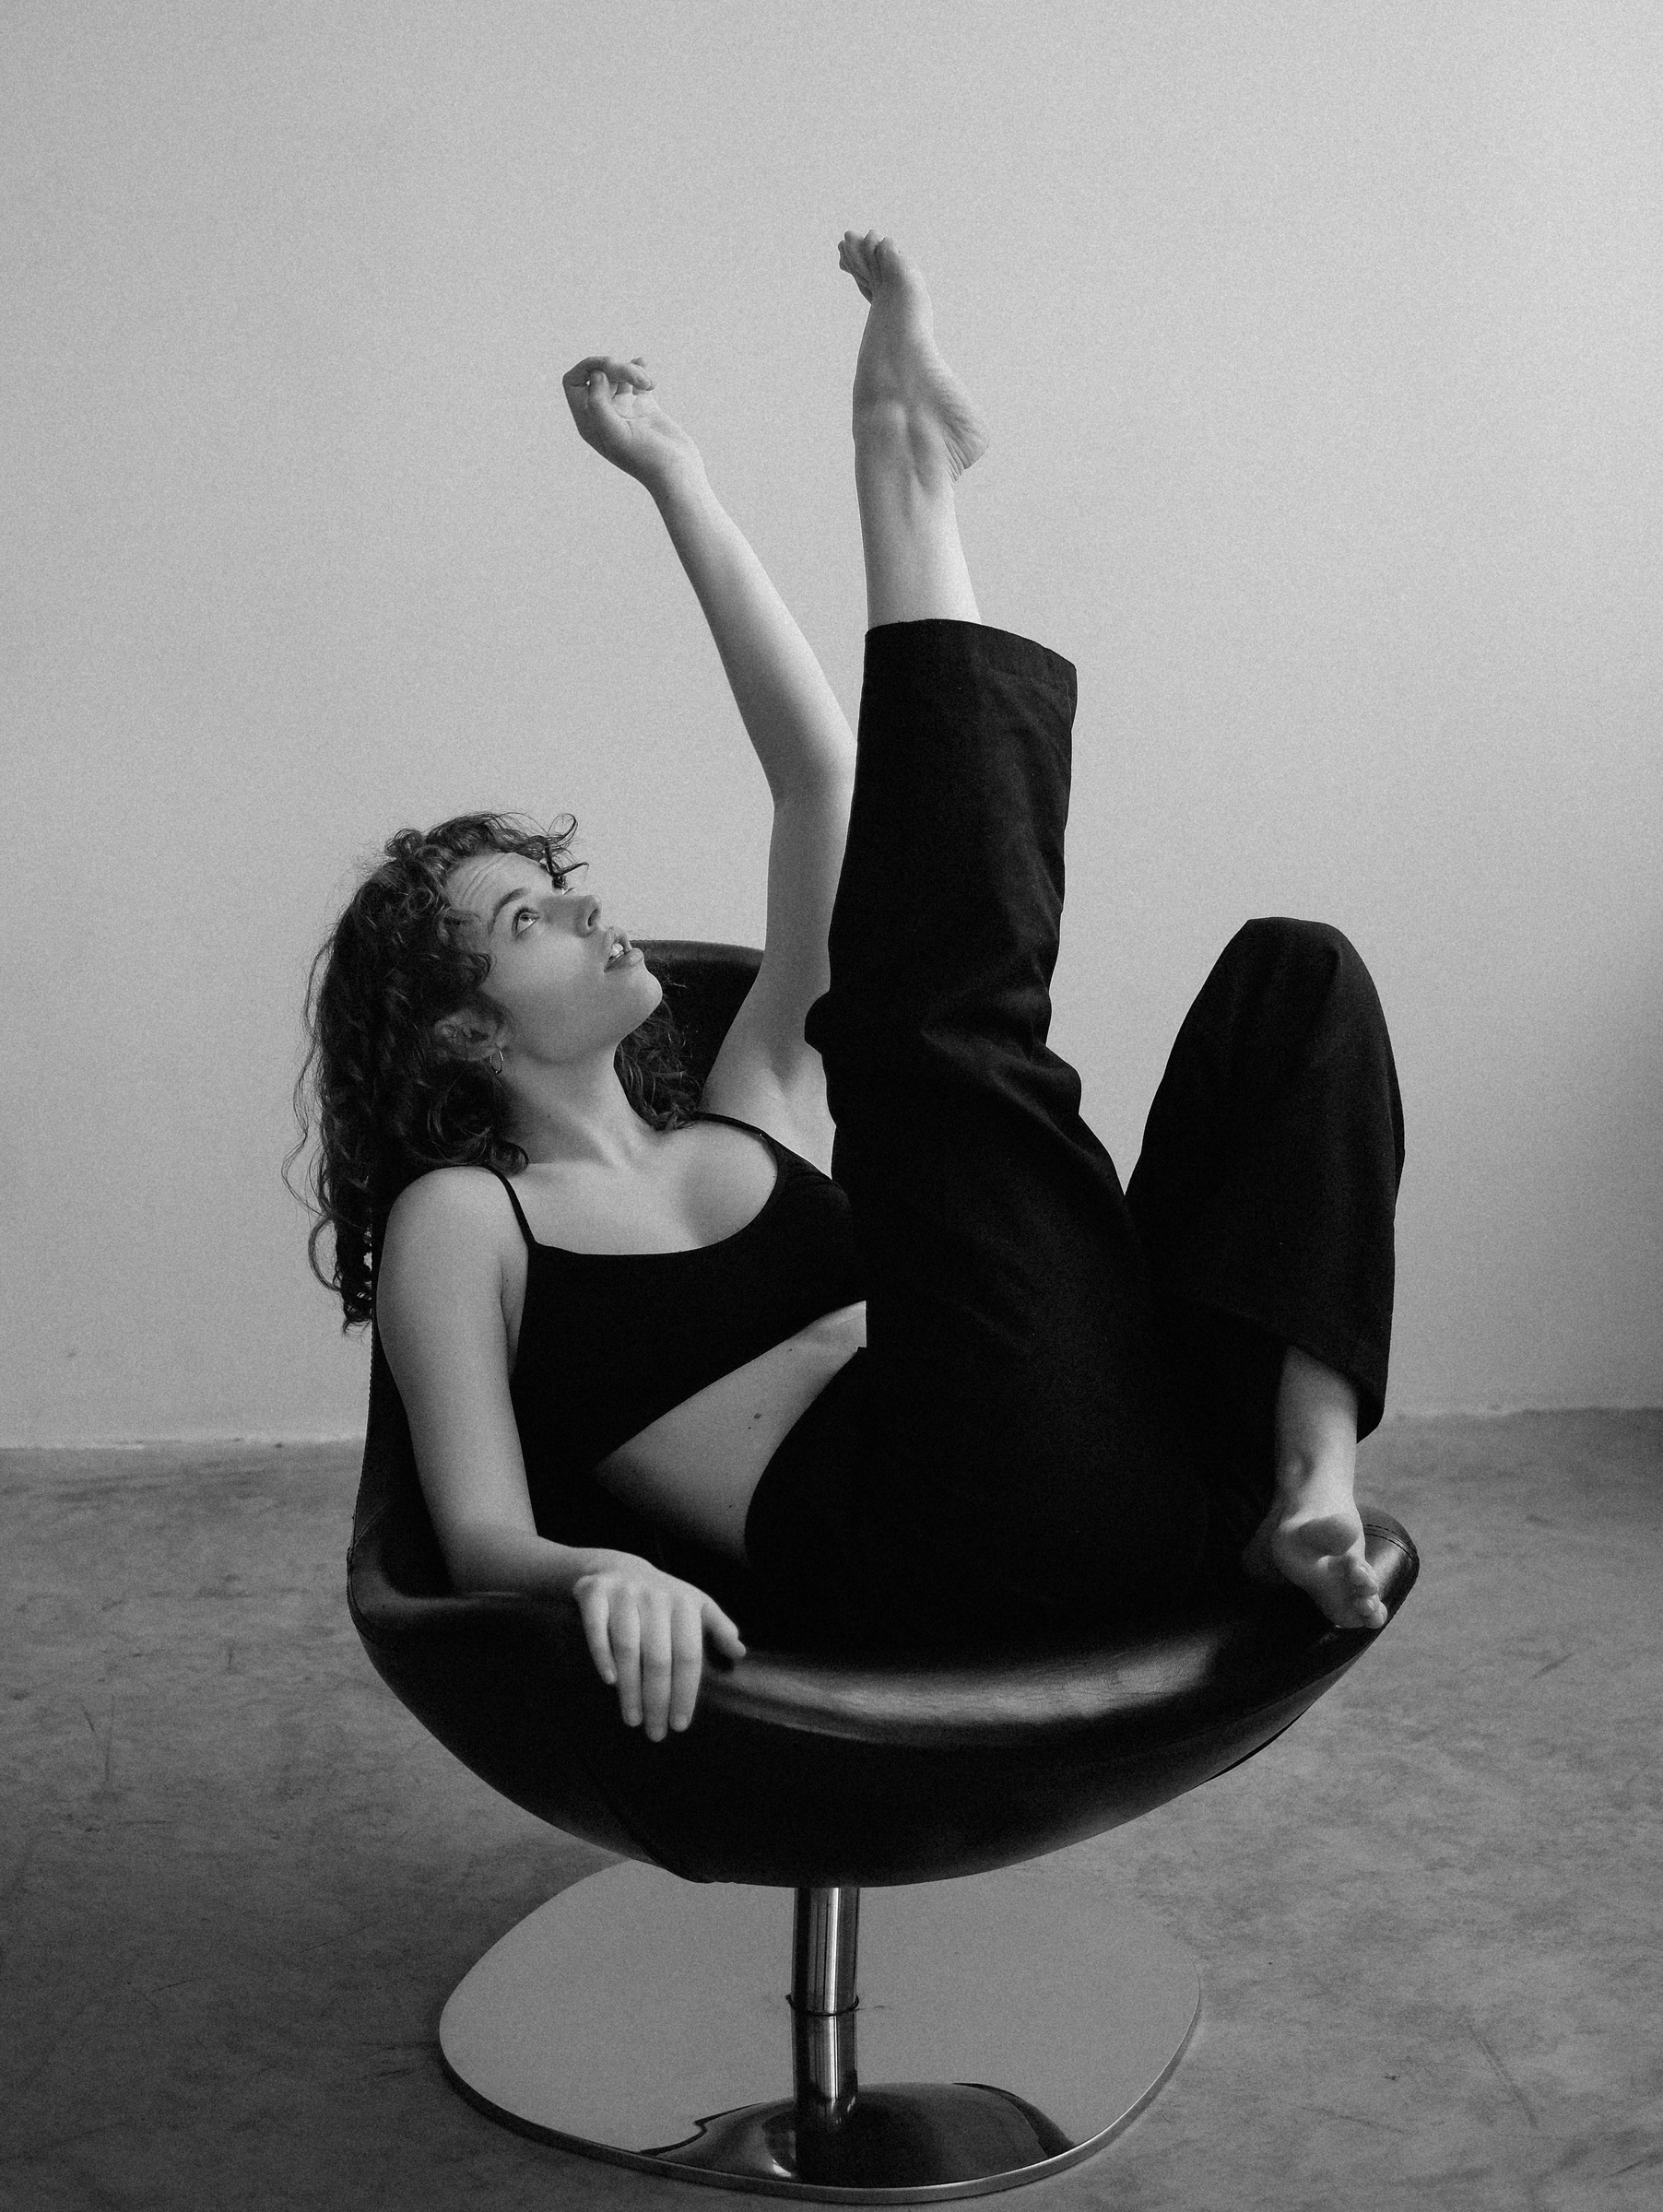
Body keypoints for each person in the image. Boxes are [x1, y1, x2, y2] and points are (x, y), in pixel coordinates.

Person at [300, 229, 1404, 1751]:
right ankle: (907, 476)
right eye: (526, 919)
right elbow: (478, 1531)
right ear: (464, 1028)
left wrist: (678, 483)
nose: (588, 905)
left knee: (1298, 976)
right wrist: (601, 1572)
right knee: (915, 1042)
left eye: (564, 881)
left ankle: (1310, 1480)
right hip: (946, 1547)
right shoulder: (466, 1219)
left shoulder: (749, 1107)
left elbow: (822, 783)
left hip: (1133, 1465)